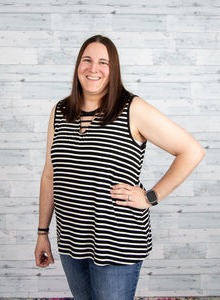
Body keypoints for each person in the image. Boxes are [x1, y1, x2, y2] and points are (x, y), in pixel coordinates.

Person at [35, 35, 205, 300]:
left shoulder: (132, 109)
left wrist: (151, 196)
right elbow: (50, 174)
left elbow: (191, 151)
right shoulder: (61, 111)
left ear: (113, 70)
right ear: (78, 65)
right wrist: (42, 233)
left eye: (103, 62)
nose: (93, 69)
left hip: (117, 244)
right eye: (87, 60)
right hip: (71, 241)